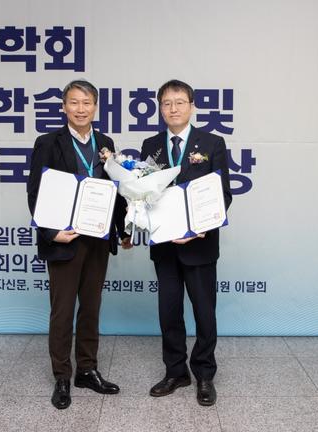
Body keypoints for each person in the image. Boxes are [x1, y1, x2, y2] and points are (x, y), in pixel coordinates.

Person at [27, 79, 131, 410]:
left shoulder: (106, 143)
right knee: (62, 311)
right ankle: (62, 376)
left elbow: (116, 191)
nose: (80, 109)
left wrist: (123, 230)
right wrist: (51, 232)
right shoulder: (48, 142)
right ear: (63, 107)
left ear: (95, 107)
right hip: (65, 240)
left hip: (98, 238)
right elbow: (35, 191)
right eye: (74, 102)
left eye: (87, 103)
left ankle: (87, 369)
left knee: (91, 306)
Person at [140, 79, 232, 406]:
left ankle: (204, 374)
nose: (173, 108)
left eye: (179, 102)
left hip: (200, 244)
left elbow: (223, 193)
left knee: (204, 312)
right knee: (169, 312)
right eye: (166, 103)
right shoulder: (150, 145)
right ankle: (175, 371)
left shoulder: (212, 143)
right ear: (160, 108)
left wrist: (200, 227)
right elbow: (145, 193)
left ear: (191, 106)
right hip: (165, 245)